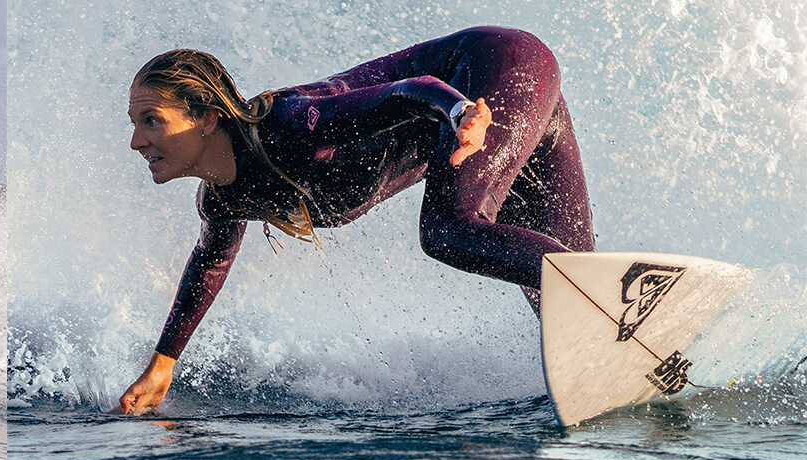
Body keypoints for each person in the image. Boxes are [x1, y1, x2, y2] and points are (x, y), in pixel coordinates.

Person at [116, 26, 594, 415]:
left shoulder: (291, 126)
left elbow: (409, 93)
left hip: (491, 72)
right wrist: (163, 365)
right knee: (573, 305)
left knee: (451, 230)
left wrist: (460, 111)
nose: (137, 141)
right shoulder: (225, 198)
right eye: (134, 124)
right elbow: (210, 263)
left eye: (151, 120)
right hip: (506, 98)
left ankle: (615, 301)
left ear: (204, 117)